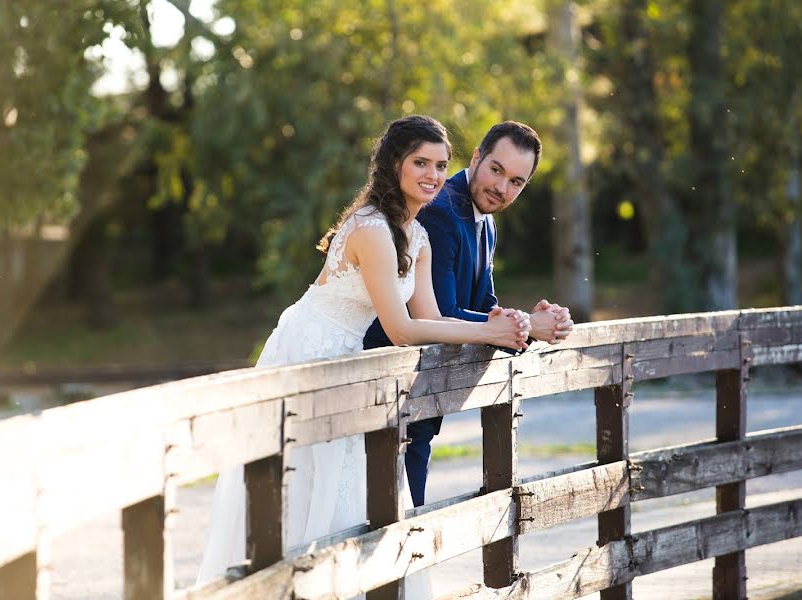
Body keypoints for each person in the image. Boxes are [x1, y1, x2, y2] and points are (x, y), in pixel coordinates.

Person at [197, 116, 532, 595]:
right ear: (395, 164)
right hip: (310, 348)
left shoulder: (417, 238)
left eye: (440, 165)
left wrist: (492, 327)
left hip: (347, 355)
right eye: (420, 163)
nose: (433, 176)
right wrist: (490, 331)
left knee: (348, 484)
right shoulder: (373, 229)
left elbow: (432, 318)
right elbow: (401, 329)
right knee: (300, 481)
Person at [364, 120, 575, 507]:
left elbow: (483, 308)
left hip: (419, 396)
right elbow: (440, 314)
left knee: (404, 516)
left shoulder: (485, 221)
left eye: (516, 182)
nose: (502, 188)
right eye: (496, 170)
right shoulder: (441, 211)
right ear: (476, 157)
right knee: (389, 515)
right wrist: (527, 326)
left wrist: (528, 320)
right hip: (388, 389)